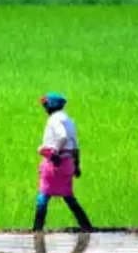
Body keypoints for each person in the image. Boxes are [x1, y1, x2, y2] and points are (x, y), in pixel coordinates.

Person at [32, 92, 93, 232]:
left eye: (46, 105)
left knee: (44, 195)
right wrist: (77, 165)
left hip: (55, 163)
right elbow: (75, 146)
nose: (45, 108)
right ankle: (86, 225)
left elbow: (62, 137)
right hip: (68, 163)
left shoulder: (54, 119)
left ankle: (37, 228)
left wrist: (54, 153)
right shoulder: (69, 120)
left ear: (51, 105)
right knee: (68, 195)